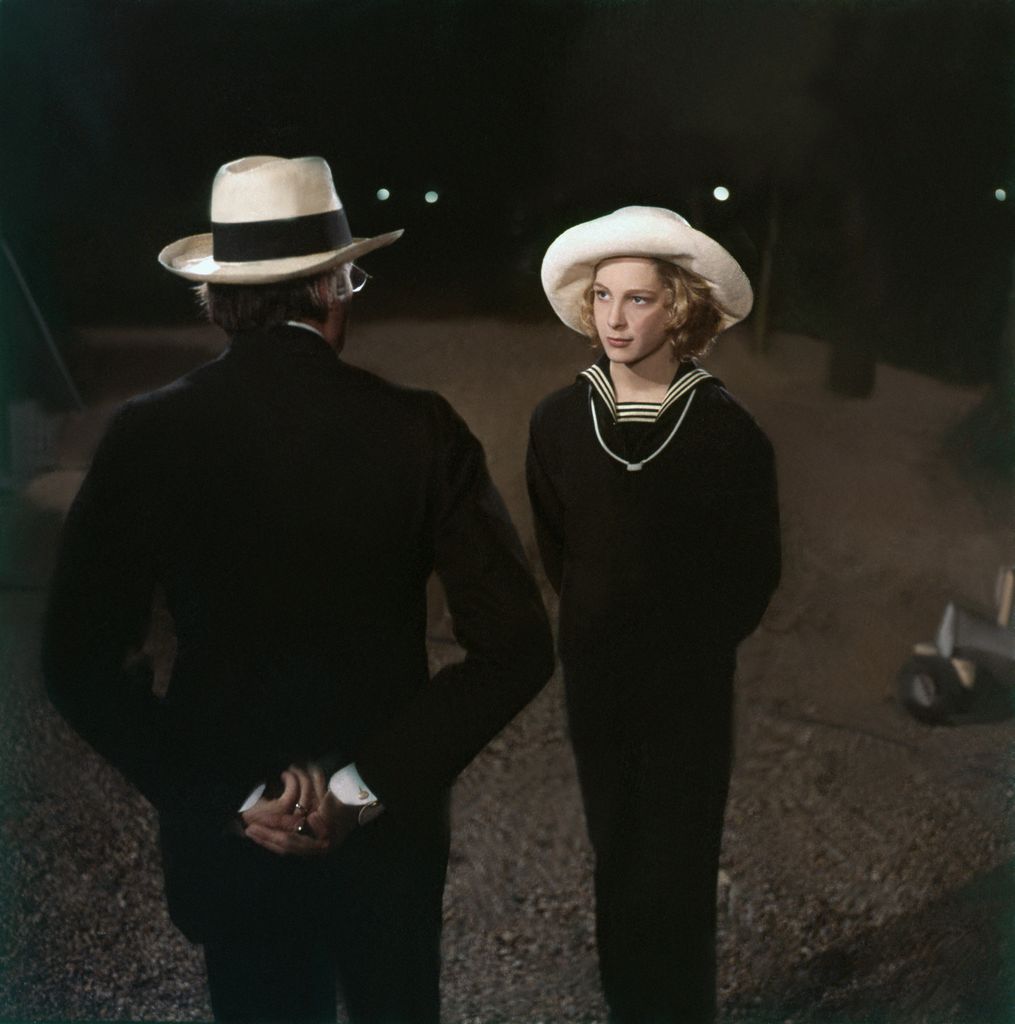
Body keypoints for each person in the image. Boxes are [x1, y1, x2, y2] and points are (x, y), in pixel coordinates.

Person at [42, 154, 554, 1024]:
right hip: (381, 847)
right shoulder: (419, 428)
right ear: (336, 287)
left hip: (233, 842)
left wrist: (230, 798)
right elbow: (515, 644)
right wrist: (361, 787)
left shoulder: (148, 434)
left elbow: (78, 658)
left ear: (215, 298)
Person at [526, 206, 781, 1024]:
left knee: (677, 862)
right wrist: (604, 625)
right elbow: (558, 547)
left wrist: (686, 646)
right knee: (617, 855)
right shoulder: (558, 423)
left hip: (688, 688)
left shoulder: (726, 432)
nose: (614, 318)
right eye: (602, 297)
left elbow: (753, 570)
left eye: (637, 300)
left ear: (677, 309)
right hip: (596, 678)